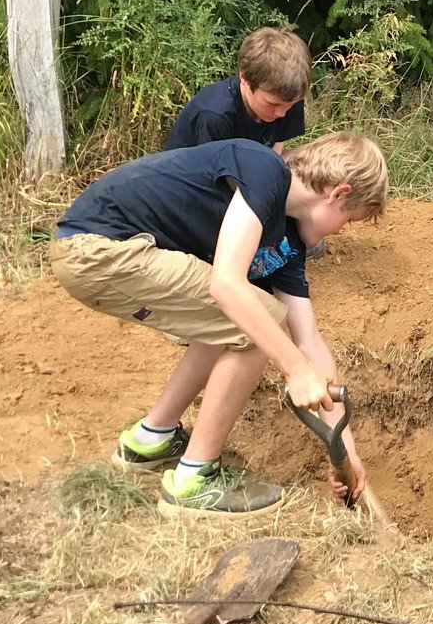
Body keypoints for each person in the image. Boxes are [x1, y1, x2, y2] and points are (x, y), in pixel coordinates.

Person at [50, 132, 387, 514]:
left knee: (242, 315)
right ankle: (194, 480)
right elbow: (226, 284)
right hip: (98, 247)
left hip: (106, 255)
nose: (341, 231)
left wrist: (346, 452)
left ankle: (151, 439)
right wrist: (294, 369)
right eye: (348, 219)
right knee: (256, 315)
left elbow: (310, 342)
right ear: (338, 194)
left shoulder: (285, 242)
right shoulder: (265, 170)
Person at [165, 27, 311, 153]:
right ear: (244, 78)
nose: (281, 113)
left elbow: (274, 155)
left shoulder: (289, 97)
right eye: (272, 104)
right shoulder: (215, 117)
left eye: (289, 105)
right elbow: (215, 172)